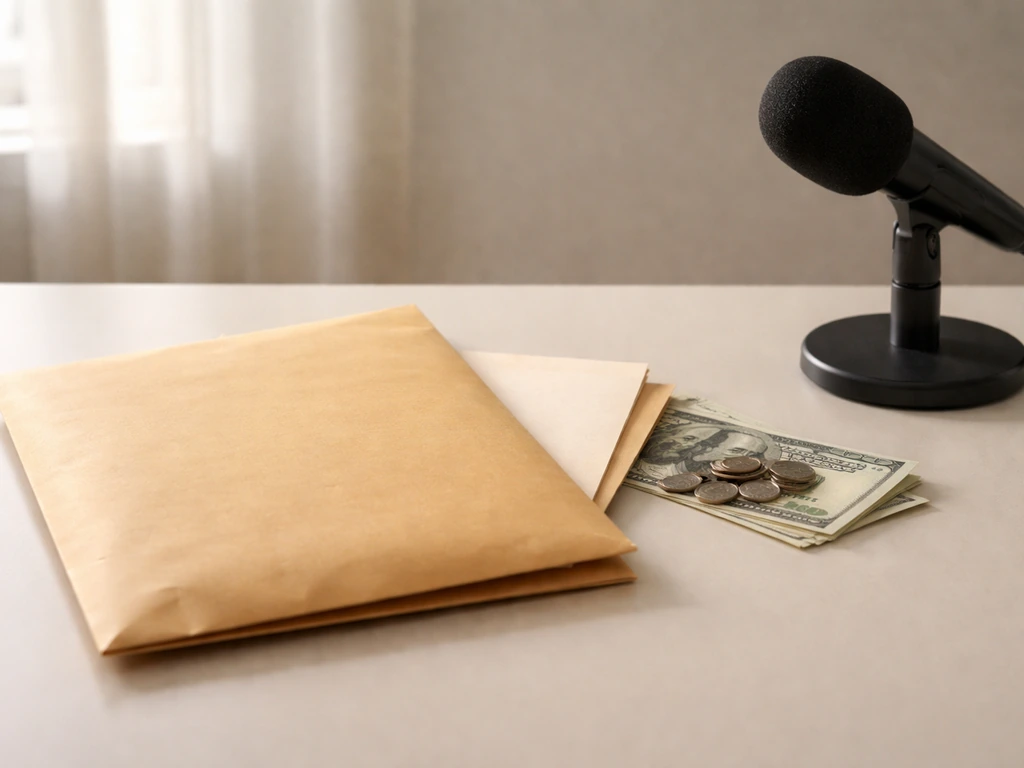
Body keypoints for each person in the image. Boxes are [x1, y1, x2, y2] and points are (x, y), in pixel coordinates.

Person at [633, 421, 776, 481]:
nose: (746, 460)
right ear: (708, 449)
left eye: (753, 455)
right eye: (737, 450)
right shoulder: (661, 469)